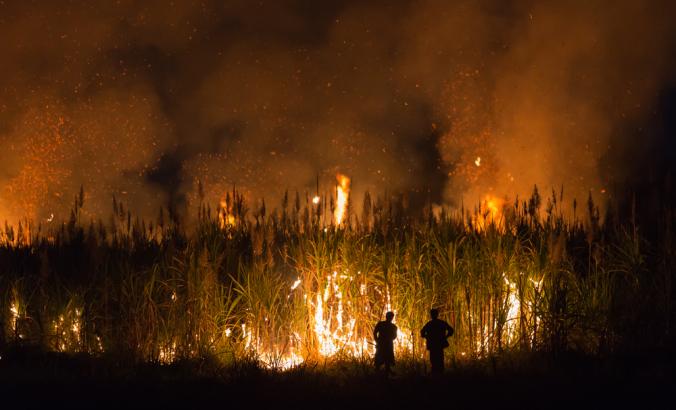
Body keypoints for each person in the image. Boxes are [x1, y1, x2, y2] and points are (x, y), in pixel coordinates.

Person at [420, 308, 454, 374]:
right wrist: (446, 337)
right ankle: (440, 372)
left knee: (433, 359)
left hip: (432, 344)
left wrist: (427, 337)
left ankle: (434, 372)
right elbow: (451, 330)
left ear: (431, 315)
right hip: (440, 343)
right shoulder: (442, 323)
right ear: (437, 314)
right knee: (440, 357)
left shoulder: (429, 324)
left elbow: (422, 332)